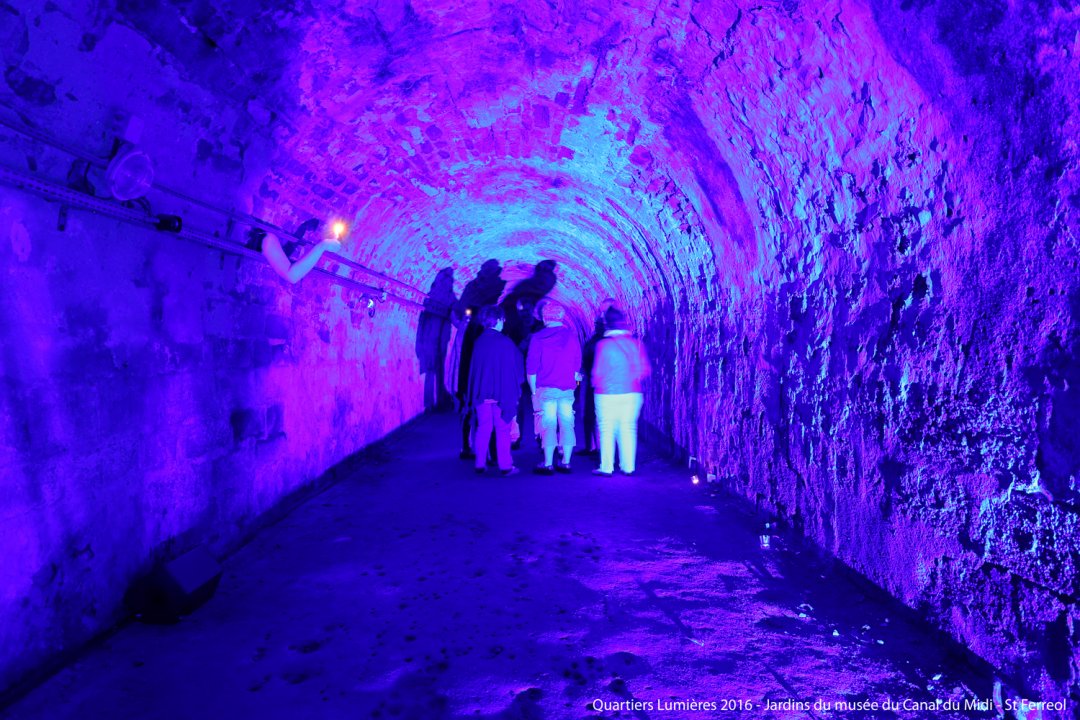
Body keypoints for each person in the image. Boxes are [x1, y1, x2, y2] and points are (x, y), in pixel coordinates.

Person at [592, 307, 651, 476]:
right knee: (628, 428)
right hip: (632, 392)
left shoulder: (604, 345)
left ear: (607, 325)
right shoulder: (635, 343)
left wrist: (594, 383)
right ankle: (628, 466)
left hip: (607, 393)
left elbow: (598, 372)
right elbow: (643, 370)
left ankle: (607, 466)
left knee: (606, 429)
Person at [466, 306, 524, 476]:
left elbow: (475, 370)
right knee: (502, 429)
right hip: (501, 394)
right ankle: (505, 466)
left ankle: (479, 463)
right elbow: (516, 367)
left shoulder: (479, 342)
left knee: (483, 427)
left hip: (482, 393)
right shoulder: (505, 342)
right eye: (503, 319)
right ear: (498, 320)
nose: (504, 322)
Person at [526, 301, 582, 475]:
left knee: (548, 425)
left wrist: (533, 391)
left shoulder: (537, 338)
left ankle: (548, 463)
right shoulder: (572, 336)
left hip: (545, 389)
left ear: (544, 317)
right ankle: (566, 462)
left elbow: (531, 368)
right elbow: (576, 366)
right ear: (562, 317)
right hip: (567, 388)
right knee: (567, 424)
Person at [416, 268, 456, 411]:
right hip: (433, 337)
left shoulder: (436, 294)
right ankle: (433, 402)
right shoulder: (444, 295)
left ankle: (436, 401)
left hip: (437, 336)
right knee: (433, 369)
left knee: (435, 369)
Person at [246, 226, 342, 284]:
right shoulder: (266, 238)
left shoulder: (265, 237)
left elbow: (284, 258)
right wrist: (322, 246)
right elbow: (292, 275)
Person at [581, 298, 616, 455]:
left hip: (598, 381)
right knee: (590, 415)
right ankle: (593, 447)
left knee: (596, 416)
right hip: (594, 380)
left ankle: (599, 450)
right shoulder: (600, 340)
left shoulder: (604, 341)